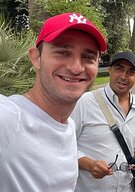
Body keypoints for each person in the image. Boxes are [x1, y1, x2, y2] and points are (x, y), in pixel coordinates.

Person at [0, 12, 107, 191]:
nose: (76, 67)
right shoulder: (10, 118)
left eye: (88, 57)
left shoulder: (68, 125)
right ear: (36, 58)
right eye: (63, 52)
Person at [71, 51, 135, 192]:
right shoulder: (85, 102)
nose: (124, 76)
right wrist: (89, 164)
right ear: (110, 70)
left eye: (131, 72)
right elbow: (64, 145)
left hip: (128, 187)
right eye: (119, 68)